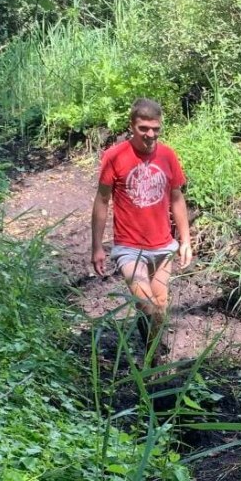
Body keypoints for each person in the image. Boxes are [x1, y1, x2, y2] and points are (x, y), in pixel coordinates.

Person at [90, 98, 192, 350]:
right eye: (143, 129)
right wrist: (96, 247)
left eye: (156, 129)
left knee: (160, 303)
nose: (150, 135)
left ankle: (151, 353)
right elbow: (102, 201)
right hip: (129, 247)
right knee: (146, 302)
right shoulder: (115, 156)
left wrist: (185, 240)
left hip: (163, 245)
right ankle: (153, 354)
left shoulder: (168, 155)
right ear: (132, 126)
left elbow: (177, 198)